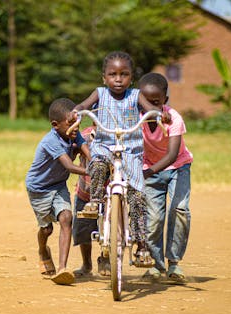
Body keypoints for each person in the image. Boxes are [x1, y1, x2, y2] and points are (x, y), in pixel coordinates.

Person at [72, 51, 169, 267]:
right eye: (112, 74)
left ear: (131, 78)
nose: (118, 79)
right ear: (104, 77)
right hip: (105, 145)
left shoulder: (135, 96)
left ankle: (141, 245)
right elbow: (83, 105)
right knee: (96, 164)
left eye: (124, 74)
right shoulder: (99, 93)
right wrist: (76, 111)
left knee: (137, 196)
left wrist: (159, 113)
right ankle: (95, 202)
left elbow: (151, 108)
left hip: (130, 150)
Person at [25, 98, 90, 285]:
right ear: (55, 125)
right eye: (71, 123)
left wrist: (95, 162)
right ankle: (42, 250)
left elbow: (87, 151)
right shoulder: (51, 141)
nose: (76, 127)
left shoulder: (73, 134)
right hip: (39, 189)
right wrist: (89, 170)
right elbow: (69, 166)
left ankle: (62, 268)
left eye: (78, 122)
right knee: (46, 229)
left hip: (59, 185)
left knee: (66, 217)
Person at [139, 72, 193, 284]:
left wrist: (148, 173)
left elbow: (172, 154)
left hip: (177, 167)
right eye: (145, 102)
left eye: (156, 103)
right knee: (153, 219)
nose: (150, 108)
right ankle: (155, 265)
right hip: (150, 170)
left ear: (165, 101)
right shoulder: (134, 119)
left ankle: (174, 263)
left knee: (180, 209)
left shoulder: (174, 119)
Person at [72, 124, 111, 277]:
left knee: (110, 228)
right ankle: (86, 263)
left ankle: (106, 259)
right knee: (83, 230)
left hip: (109, 194)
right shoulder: (85, 136)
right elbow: (72, 153)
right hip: (85, 192)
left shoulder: (116, 136)